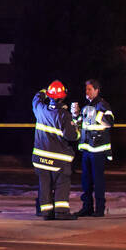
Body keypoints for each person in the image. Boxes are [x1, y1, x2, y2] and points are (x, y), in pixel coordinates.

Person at [31, 81, 79, 220]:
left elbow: (36, 98)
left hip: (40, 159)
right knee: (62, 184)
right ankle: (61, 212)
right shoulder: (64, 115)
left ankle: (46, 212)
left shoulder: (40, 109)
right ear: (63, 97)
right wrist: (77, 124)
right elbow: (72, 136)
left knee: (44, 185)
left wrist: (45, 90)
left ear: (50, 96)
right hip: (59, 160)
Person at [75, 78, 114, 217]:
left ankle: (99, 209)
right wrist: (75, 116)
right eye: (86, 89)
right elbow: (80, 126)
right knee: (86, 181)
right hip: (86, 150)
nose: (87, 92)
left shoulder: (103, 105)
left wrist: (97, 114)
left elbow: (110, 122)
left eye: (90, 89)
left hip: (98, 151)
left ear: (97, 90)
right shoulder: (86, 107)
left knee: (98, 181)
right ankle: (87, 207)